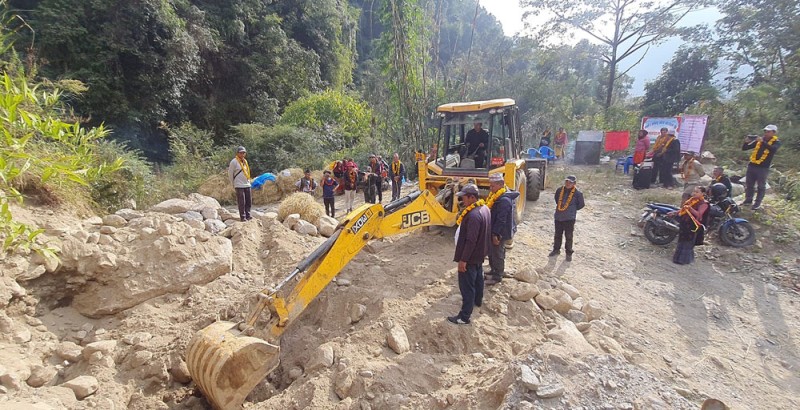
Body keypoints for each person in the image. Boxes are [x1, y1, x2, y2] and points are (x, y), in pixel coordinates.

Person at [448, 184, 491, 325]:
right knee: (478, 279)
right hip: (480, 254)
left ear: (472, 197)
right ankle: (477, 301)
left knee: (467, 286)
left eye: (464, 197)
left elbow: (470, 240)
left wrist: (463, 260)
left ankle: (464, 317)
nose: (462, 200)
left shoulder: (473, 215)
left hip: (470, 257)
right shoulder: (485, 209)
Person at [485, 173, 519, 286]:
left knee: (497, 253)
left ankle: (497, 276)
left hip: (500, 232)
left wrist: (496, 234)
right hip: (494, 229)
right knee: (492, 252)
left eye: (493, 186)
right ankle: (494, 269)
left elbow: (501, 219)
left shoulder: (504, 200)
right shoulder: (496, 196)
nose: (491, 188)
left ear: (500, 185)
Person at [741, 124, 781, 210]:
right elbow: (745, 148)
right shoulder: (759, 140)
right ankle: (748, 200)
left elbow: (772, 149)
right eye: (765, 131)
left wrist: (762, 142)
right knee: (749, 184)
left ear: (773, 133)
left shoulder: (776, 142)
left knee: (761, 186)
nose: (766, 133)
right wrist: (746, 142)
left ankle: (757, 203)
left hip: (763, 167)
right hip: (752, 165)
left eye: (768, 132)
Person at [549, 175, 585, 262]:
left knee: (568, 236)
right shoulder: (559, 190)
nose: (568, 184)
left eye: (570, 182)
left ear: (574, 183)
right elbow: (557, 200)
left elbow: (581, 205)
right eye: (567, 182)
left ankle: (568, 253)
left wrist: (571, 210)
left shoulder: (578, 194)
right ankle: (556, 250)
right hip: (558, 217)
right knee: (557, 235)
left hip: (569, 219)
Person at [671, 186, 709, 265]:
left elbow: (699, 215)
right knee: (681, 240)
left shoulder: (704, 203)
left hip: (693, 225)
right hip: (685, 222)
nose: (694, 193)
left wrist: (690, 209)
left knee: (688, 241)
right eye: (694, 191)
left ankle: (684, 260)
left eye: (697, 192)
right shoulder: (691, 200)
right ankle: (677, 258)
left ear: (703, 193)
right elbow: (684, 210)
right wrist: (674, 213)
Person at [228, 146, 252, 222]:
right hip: (239, 184)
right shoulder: (234, 162)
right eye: (241, 152)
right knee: (242, 202)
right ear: (237, 153)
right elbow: (230, 173)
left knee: (248, 201)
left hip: (247, 183)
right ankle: (243, 217)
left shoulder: (245, 161)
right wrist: (233, 184)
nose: (242, 154)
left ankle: (248, 215)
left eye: (244, 153)